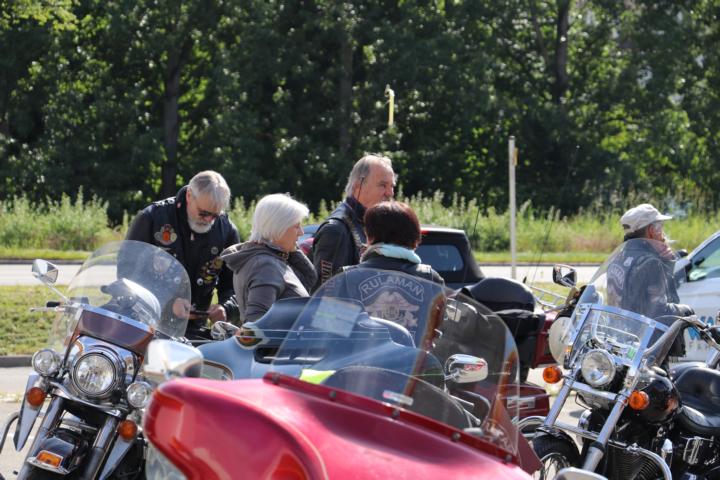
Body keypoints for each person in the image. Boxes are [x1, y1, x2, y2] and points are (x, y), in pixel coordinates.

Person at [125, 170, 240, 335]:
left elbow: (234, 284)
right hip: (145, 323)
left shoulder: (226, 230)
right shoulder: (152, 218)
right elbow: (128, 275)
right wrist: (167, 302)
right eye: (204, 213)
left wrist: (226, 308)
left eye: (215, 216)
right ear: (189, 196)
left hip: (194, 330)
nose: (209, 220)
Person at [341, 201, 444, 332]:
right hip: (414, 347)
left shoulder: (346, 277)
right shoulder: (431, 278)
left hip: (363, 346)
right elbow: (441, 331)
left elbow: (331, 331)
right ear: (415, 237)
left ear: (370, 236)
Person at [221, 193, 317, 323]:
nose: (301, 232)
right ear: (278, 227)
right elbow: (256, 323)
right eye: (296, 226)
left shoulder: (270, 257)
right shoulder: (265, 265)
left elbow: (308, 279)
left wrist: (292, 249)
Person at [312, 154, 396, 289]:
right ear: (358, 186)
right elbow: (325, 292)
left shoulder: (372, 224)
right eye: (382, 185)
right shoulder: (336, 229)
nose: (390, 193)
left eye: (392, 186)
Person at [607, 203, 693, 320]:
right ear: (652, 230)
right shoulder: (651, 262)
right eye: (661, 227)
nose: (663, 235)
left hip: (619, 328)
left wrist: (666, 263)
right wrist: (686, 310)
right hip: (643, 330)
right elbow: (661, 312)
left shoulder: (616, 258)